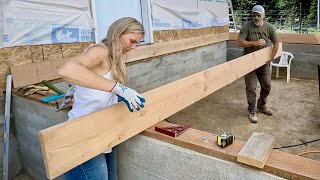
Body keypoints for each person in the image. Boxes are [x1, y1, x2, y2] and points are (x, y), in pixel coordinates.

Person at [58, 17, 146, 180]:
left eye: (137, 44)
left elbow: (101, 90)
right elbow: (66, 70)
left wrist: (119, 97)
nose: (133, 47)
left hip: (102, 130)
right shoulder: (100, 50)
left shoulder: (114, 57)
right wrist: (118, 88)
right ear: (119, 33)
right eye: (132, 41)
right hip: (84, 134)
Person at [237, 5, 279, 123]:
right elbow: (239, 42)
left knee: (267, 85)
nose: (256, 17)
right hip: (249, 62)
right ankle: (252, 110)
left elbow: (276, 43)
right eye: (254, 15)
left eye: (258, 15)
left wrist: (271, 58)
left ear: (263, 16)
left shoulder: (270, 28)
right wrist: (254, 43)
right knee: (251, 87)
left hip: (263, 62)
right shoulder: (247, 26)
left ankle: (261, 105)